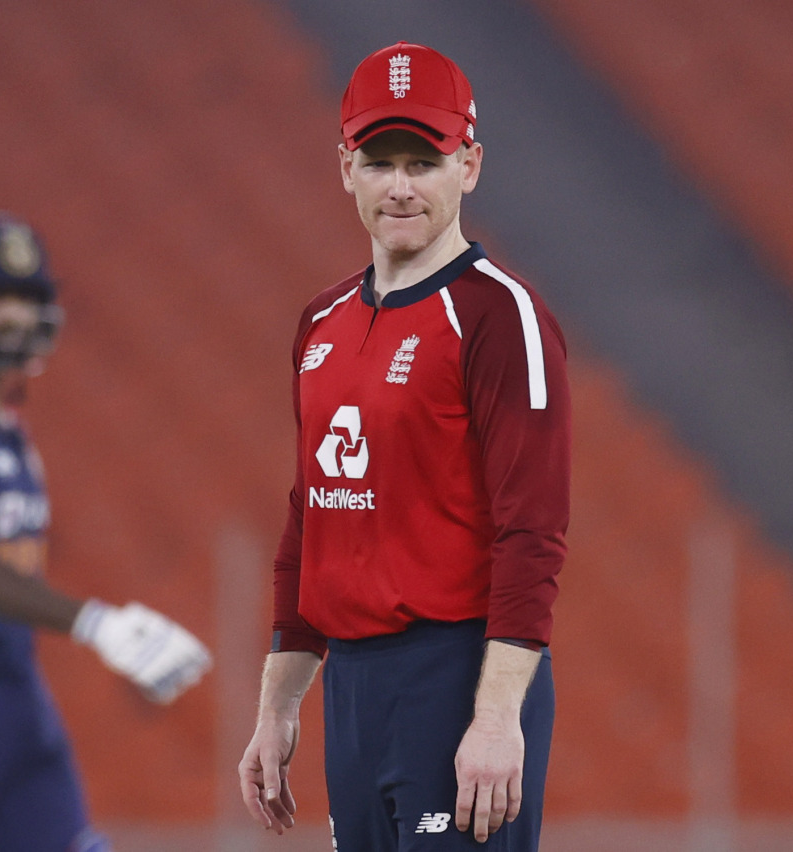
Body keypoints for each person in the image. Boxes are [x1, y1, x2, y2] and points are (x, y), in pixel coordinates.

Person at [238, 42, 570, 851]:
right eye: (380, 159)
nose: (400, 185)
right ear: (345, 165)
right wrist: (279, 706)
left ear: (471, 164)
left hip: (452, 677)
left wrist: (496, 719)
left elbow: (531, 534)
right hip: (353, 690)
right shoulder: (321, 324)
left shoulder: (498, 317)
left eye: (424, 160)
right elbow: (310, 520)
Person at [0, 214, 212, 852]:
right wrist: (96, 622)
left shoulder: (0, 424)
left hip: (12, 688)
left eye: (25, 301)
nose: (11, 318)